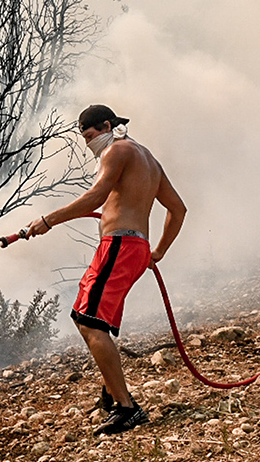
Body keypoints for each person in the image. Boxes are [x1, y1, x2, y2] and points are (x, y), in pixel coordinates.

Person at [26, 104, 187, 434]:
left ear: (107, 125)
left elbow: (96, 196)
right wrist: (156, 252)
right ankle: (113, 394)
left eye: (89, 135)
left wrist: (48, 220)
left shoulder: (116, 150)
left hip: (119, 245)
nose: (88, 144)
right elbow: (178, 209)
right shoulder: (148, 158)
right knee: (92, 318)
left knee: (89, 320)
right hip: (134, 247)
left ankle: (127, 408)